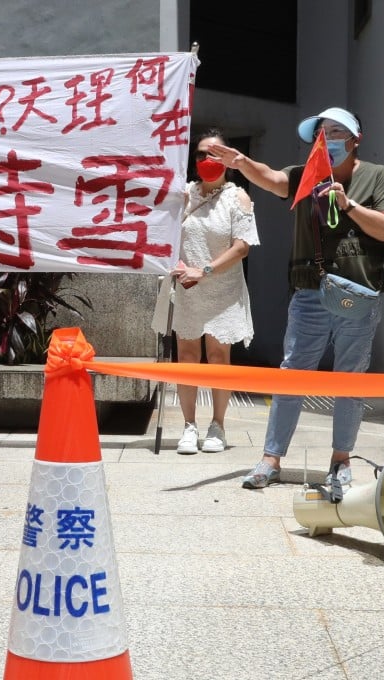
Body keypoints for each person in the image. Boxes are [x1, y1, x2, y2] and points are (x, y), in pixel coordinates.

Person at [208, 107, 384, 488]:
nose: (326, 141)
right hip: (311, 292)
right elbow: (274, 179)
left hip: (359, 294)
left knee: (350, 381)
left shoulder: (377, 176)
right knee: (292, 374)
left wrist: (349, 205)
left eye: (336, 133)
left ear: (355, 139)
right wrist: (242, 162)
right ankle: (270, 459)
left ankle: (341, 461)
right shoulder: (304, 175)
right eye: (321, 134)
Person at [151, 129, 259, 454]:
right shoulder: (184, 194)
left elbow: (242, 247)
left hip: (223, 288)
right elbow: (161, 230)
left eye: (214, 154)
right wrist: (180, 265)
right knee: (186, 356)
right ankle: (188, 426)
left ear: (227, 158)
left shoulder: (238, 197)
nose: (207, 160)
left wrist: (206, 270)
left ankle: (218, 426)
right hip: (187, 287)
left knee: (217, 358)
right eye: (201, 154)